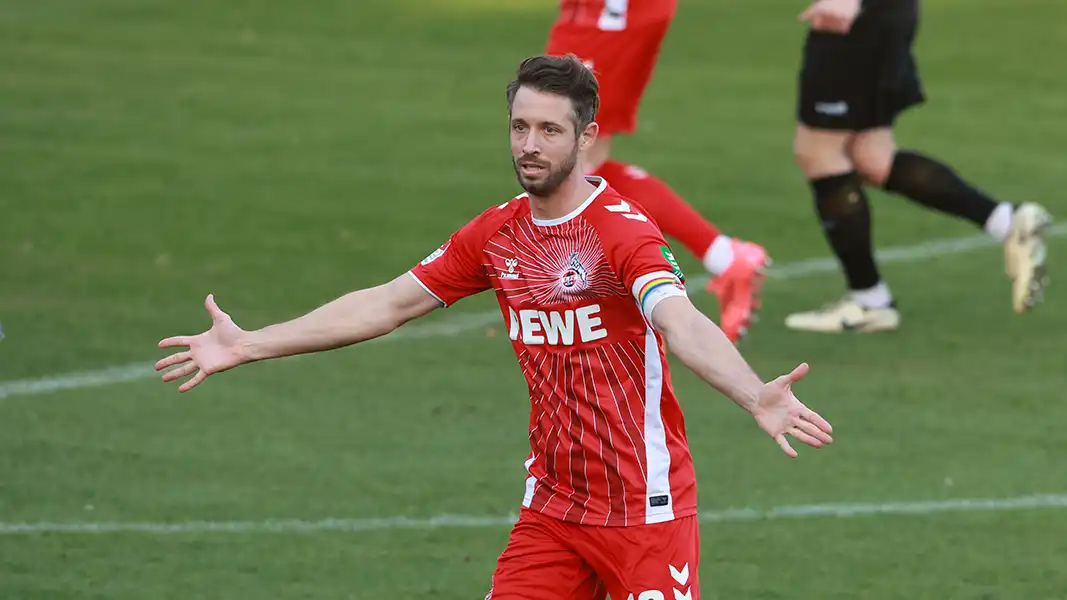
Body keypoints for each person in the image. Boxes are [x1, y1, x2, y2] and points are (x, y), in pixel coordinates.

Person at [155, 55, 834, 600]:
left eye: (548, 130)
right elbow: (387, 304)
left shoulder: (619, 234)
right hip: (553, 509)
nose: (529, 146)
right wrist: (248, 343)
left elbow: (679, 322)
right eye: (519, 127)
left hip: (643, 512)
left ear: (585, 137)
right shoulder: (497, 235)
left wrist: (753, 395)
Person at [788, 0, 1052, 333]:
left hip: (858, 17)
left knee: (818, 152)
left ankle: (869, 300)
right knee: (871, 156)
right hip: (881, 14)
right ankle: (1007, 221)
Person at [545, 0, 771, 343]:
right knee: (575, 157)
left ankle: (583, 297)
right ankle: (724, 257)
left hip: (609, 17)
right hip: (594, 15)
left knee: (569, 156)